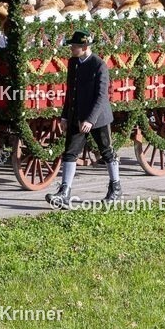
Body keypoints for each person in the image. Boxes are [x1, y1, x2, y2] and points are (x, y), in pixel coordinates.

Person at [46, 30, 121, 208]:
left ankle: (116, 189)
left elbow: (102, 96)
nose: (71, 49)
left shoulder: (99, 65)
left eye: (74, 46)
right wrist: (65, 116)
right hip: (76, 115)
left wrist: (90, 120)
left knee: (107, 152)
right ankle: (64, 192)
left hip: (98, 118)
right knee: (70, 153)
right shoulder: (73, 63)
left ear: (85, 47)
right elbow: (70, 92)